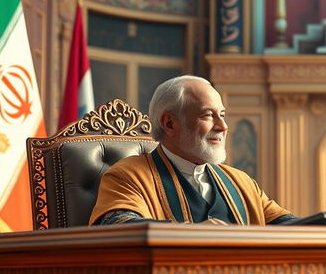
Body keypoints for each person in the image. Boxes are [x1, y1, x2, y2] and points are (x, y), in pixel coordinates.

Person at [89, 75, 296, 226]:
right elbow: (118, 225)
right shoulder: (128, 176)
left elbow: (284, 223)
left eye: (222, 114)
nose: (223, 126)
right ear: (170, 124)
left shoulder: (240, 181)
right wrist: (191, 234)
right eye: (207, 115)